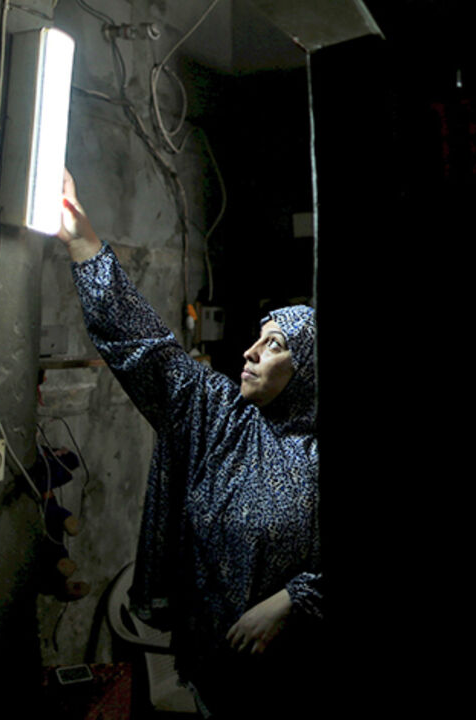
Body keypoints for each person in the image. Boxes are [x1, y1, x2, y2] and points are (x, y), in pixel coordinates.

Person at [57, 170, 322, 717]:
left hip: (298, 678)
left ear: (308, 370)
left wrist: (291, 601)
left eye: (274, 345)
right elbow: (147, 349)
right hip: (215, 672)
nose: (250, 352)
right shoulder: (217, 418)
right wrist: (83, 241)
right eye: (256, 337)